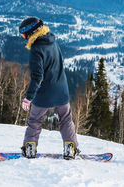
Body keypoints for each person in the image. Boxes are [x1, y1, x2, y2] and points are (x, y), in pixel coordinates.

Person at [19, 17, 80, 160]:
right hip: (62, 91)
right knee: (66, 120)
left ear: (30, 32)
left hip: (44, 94)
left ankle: (29, 148)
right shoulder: (53, 41)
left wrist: (28, 98)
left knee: (35, 120)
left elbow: (37, 77)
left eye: (23, 35)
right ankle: (70, 149)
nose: (24, 38)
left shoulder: (36, 49)